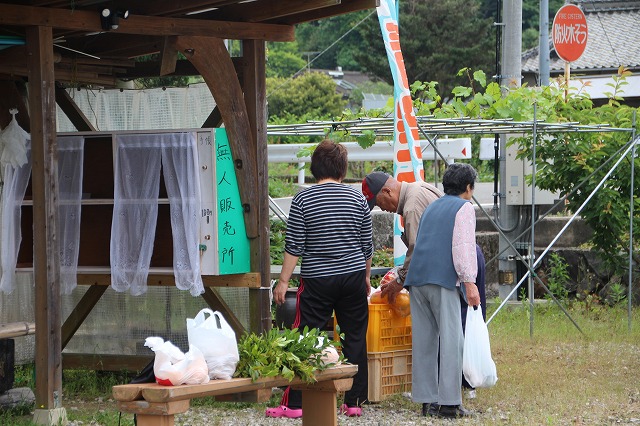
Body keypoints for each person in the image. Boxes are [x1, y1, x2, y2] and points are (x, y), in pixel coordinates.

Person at [267, 139, 373, 419]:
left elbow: (294, 246)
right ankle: (354, 401)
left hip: (317, 280)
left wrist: (282, 282)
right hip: (351, 277)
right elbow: (367, 247)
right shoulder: (358, 199)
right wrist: (364, 278)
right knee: (355, 337)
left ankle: (296, 403)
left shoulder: (304, 199)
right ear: (342, 169)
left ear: (314, 168)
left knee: (306, 336)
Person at [363, 171, 487, 401]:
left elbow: (418, 247)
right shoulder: (433, 194)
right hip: (443, 273)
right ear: (468, 188)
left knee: (433, 339)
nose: (382, 208)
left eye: (380, 202)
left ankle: (434, 396)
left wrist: (401, 281)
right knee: (450, 337)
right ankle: (450, 399)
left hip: (430, 275)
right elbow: (455, 246)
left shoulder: (420, 207)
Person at [403, 163, 481, 419]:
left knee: (425, 342)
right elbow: (463, 247)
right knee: (451, 341)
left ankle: (428, 402)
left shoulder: (432, 206)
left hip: (417, 279)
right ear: (468, 188)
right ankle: (449, 404)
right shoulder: (464, 208)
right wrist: (470, 283)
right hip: (442, 279)